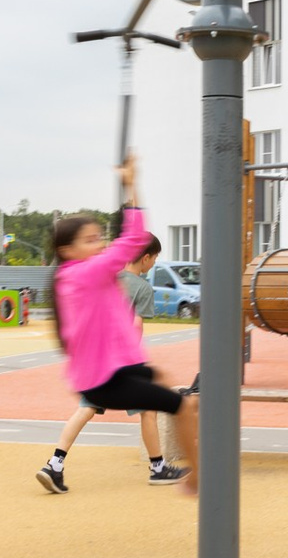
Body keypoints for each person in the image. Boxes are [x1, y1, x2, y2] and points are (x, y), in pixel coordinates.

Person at [36, 156, 199, 495]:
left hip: (112, 369)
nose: (99, 244)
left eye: (99, 237)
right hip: (108, 377)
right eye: (90, 240)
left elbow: (129, 244)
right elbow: (135, 239)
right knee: (181, 406)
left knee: (167, 383)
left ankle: (57, 464)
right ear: (67, 250)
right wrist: (131, 183)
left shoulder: (72, 276)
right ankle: (195, 477)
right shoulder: (88, 273)